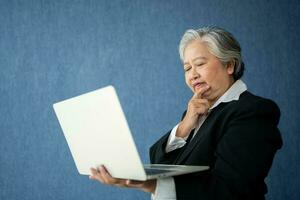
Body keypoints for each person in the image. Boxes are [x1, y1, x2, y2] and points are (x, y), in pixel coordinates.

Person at [89, 26, 283, 200]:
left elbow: (229, 189)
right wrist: (184, 127)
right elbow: (160, 164)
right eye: (187, 68)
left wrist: (149, 185)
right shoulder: (197, 112)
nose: (193, 74)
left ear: (229, 65)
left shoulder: (254, 111)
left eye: (200, 64)